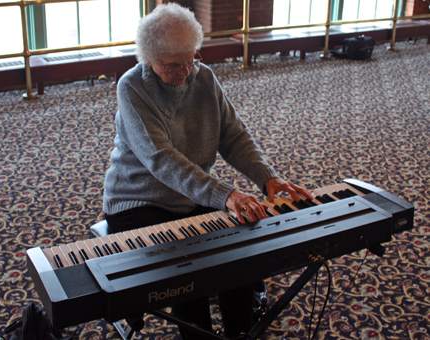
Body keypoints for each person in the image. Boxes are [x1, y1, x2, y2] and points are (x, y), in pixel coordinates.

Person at [102, 3, 313, 339]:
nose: (185, 72)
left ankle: (240, 332)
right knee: (192, 279)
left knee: (241, 254)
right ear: (148, 59)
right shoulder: (132, 88)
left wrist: (266, 177)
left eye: (191, 59)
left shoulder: (205, 78)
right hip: (140, 202)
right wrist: (226, 194)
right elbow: (161, 160)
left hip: (194, 196)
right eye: (172, 66)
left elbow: (233, 134)